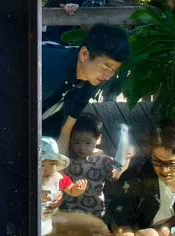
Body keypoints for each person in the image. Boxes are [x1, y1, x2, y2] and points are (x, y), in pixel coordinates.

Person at [41, 22, 130, 155]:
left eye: (114, 70)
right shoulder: (47, 68)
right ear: (84, 54)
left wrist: (60, 173)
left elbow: (65, 130)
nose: (108, 76)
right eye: (105, 67)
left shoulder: (91, 79)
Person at [61, 114, 128, 219]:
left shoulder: (104, 160)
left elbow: (117, 174)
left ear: (98, 139)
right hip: (67, 210)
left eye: (87, 143)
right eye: (76, 142)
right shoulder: (68, 156)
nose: (81, 147)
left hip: (94, 211)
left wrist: (126, 159)